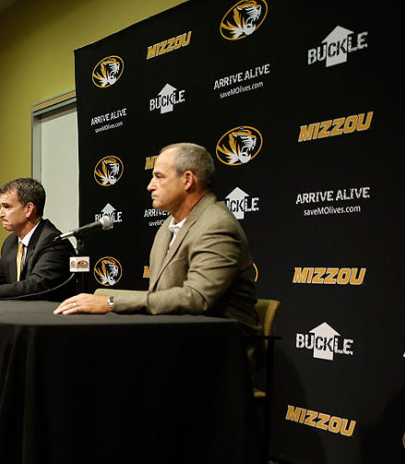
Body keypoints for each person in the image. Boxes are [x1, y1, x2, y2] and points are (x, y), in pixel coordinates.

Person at [54, 142, 259, 337]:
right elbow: (160, 295)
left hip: (220, 347)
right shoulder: (167, 226)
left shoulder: (216, 225)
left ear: (187, 180)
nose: (150, 186)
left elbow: (197, 298)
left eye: (159, 177)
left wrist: (111, 302)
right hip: (176, 335)